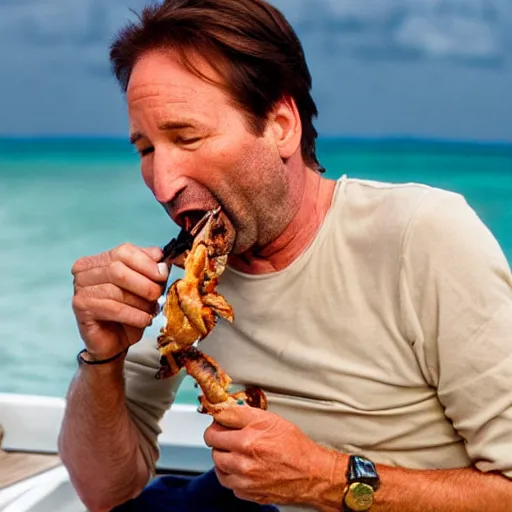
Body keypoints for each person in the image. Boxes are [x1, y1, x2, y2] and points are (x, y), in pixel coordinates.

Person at [58, 0, 512, 510]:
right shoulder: (190, 290)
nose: (162, 184)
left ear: (280, 125)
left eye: (187, 136)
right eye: (146, 150)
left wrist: (325, 477)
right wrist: (102, 356)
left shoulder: (422, 236)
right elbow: (105, 493)